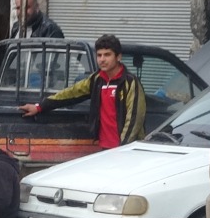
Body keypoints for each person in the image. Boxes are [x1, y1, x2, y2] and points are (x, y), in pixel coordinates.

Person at [17, 34, 146, 148]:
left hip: (125, 151)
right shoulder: (96, 80)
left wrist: (122, 149)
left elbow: (134, 120)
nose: (102, 59)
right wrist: (39, 107)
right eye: (99, 55)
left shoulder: (130, 82)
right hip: (103, 148)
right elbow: (71, 93)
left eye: (107, 55)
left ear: (118, 57)